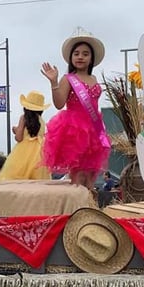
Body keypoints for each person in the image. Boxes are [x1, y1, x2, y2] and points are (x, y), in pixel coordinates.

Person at [40, 30, 110, 189]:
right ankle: (77, 208)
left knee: (91, 175)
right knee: (79, 175)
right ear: (71, 57)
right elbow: (59, 103)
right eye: (76, 53)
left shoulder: (94, 79)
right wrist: (53, 82)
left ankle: (90, 206)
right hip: (74, 130)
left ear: (91, 58)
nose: (80, 57)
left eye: (85, 54)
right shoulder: (68, 79)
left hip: (93, 130)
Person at [0, 91, 51, 181]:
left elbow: (19, 138)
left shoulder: (24, 118)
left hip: (23, 150)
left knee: (17, 179)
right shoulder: (41, 121)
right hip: (40, 152)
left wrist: (16, 130)